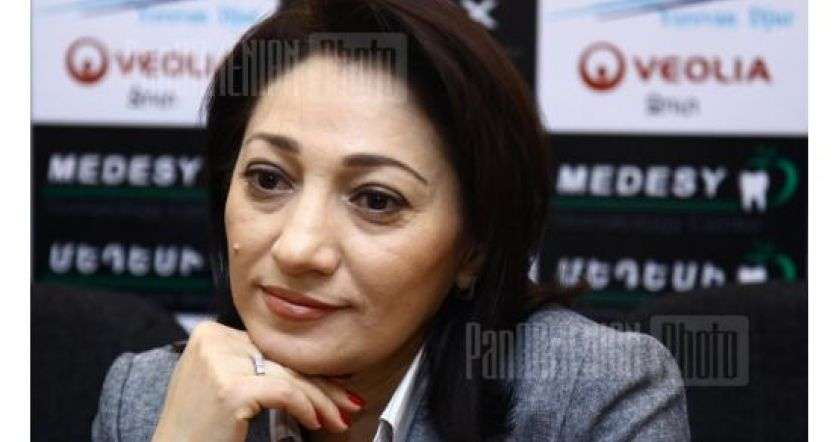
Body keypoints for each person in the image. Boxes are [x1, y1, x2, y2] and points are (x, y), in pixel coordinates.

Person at [92, 1, 691, 441]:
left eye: (377, 200)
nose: (298, 248)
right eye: (268, 179)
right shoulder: (149, 399)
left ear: (474, 248)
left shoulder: (589, 396)